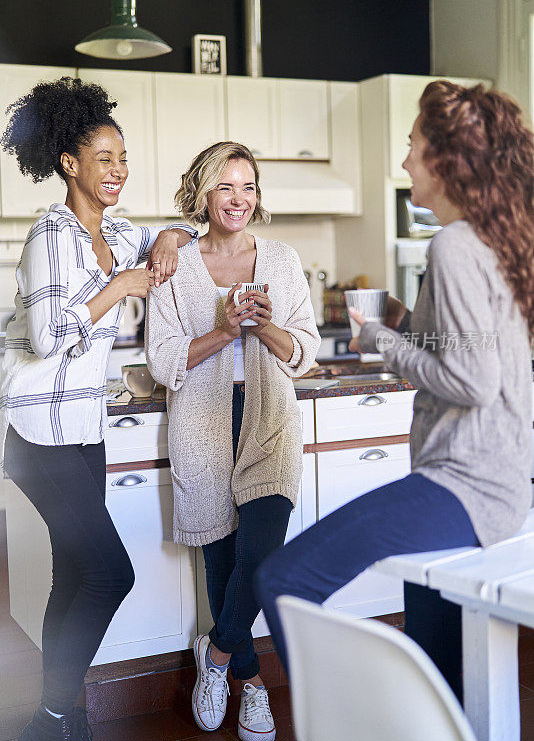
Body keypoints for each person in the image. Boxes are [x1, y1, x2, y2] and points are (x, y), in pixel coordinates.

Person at [255, 80, 534, 702]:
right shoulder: (497, 239)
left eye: (412, 145)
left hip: (464, 486)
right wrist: (406, 324)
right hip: (499, 483)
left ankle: (347, 721)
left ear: (444, 158)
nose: (404, 160)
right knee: (439, 657)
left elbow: (471, 380)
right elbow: (468, 352)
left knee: (283, 579)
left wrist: (380, 338)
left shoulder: (456, 245)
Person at [0, 77, 197, 741]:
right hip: (37, 432)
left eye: (123, 158)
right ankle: (55, 716)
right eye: (104, 158)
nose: (118, 171)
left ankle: (63, 718)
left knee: (73, 571)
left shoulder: (115, 228)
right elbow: (50, 334)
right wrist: (120, 286)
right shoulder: (50, 235)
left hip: (85, 425)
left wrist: (167, 239)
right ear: (69, 164)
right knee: (110, 572)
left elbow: (177, 234)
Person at [145, 141, 320, 741]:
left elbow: (304, 354)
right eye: (226, 187)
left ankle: (215, 657)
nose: (239, 200)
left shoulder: (282, 259)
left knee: (263, 553)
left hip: (269, 420)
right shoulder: (174, 265)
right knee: (222, 568)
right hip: (203, 425)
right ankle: (251, 687)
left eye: (248, 187)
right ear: (203, 191)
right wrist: (224, 331)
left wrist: (265, 326)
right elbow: (166, 361)